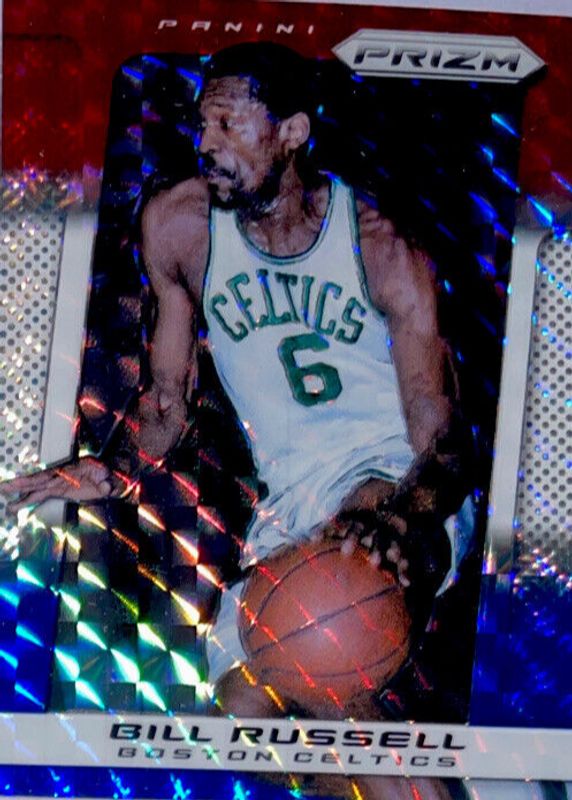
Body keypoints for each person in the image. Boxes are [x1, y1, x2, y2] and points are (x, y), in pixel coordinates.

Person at [1, 42, 473, 800]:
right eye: (202, 124)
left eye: (228, 124)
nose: (207, 143)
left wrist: (398, 516)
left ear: (292, 133)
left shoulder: (383, 247)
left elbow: (443, 442)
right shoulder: (179, 226)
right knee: (245, 717)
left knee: (329, 657)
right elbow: (167, 402)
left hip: (392, 481)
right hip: (290, 498)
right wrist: (111, 471)